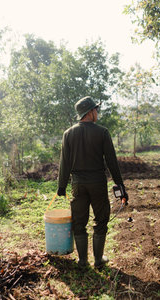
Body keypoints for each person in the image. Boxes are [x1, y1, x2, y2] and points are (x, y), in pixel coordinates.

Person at [57, 96, 128, 268]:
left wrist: (61, 186)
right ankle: (98, 260)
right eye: (96, 109)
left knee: (79, 222)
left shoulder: (68, 134)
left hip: (78, 184)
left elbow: (64, 162)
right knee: (101, 220)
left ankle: (82, 261)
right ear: (90, 112)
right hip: (97, 183)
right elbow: (112, 162)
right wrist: (120, 186)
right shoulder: (102, 132)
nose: (98, 112)